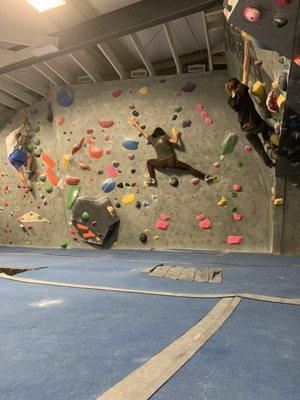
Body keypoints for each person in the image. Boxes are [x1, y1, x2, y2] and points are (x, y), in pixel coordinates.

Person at [226, 38, 274, 167]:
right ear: (237, 86)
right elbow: (246, 69)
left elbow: (231, 90)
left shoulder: (230, 101)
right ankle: (267, 142)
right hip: (255, 123)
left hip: (245, 129)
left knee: (259, 151)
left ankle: (269, 164)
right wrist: (246, 45)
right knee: (266, 127)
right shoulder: (242, 91)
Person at [130, 119, 218, 186]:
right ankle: (205, 177)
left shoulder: (152, 140)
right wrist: (176, 134)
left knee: (149, 162)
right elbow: (175, 141)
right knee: (188, 168)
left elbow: (143, 132)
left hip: (161, 162)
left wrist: (135, 124)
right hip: (171, 161)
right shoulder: (164, 137)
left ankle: (152, 179)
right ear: (162, 132)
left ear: (154, 134)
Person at [5, 122, 33, 191]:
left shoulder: (7, 140)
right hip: (15, 153)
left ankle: (26, 187)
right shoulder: (13, 133)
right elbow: (22, 126)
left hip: (10, 158)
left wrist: (24, 138)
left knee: (20, 172)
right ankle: (29, 170)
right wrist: (25, 120)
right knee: (29, 156)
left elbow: (20, 143)